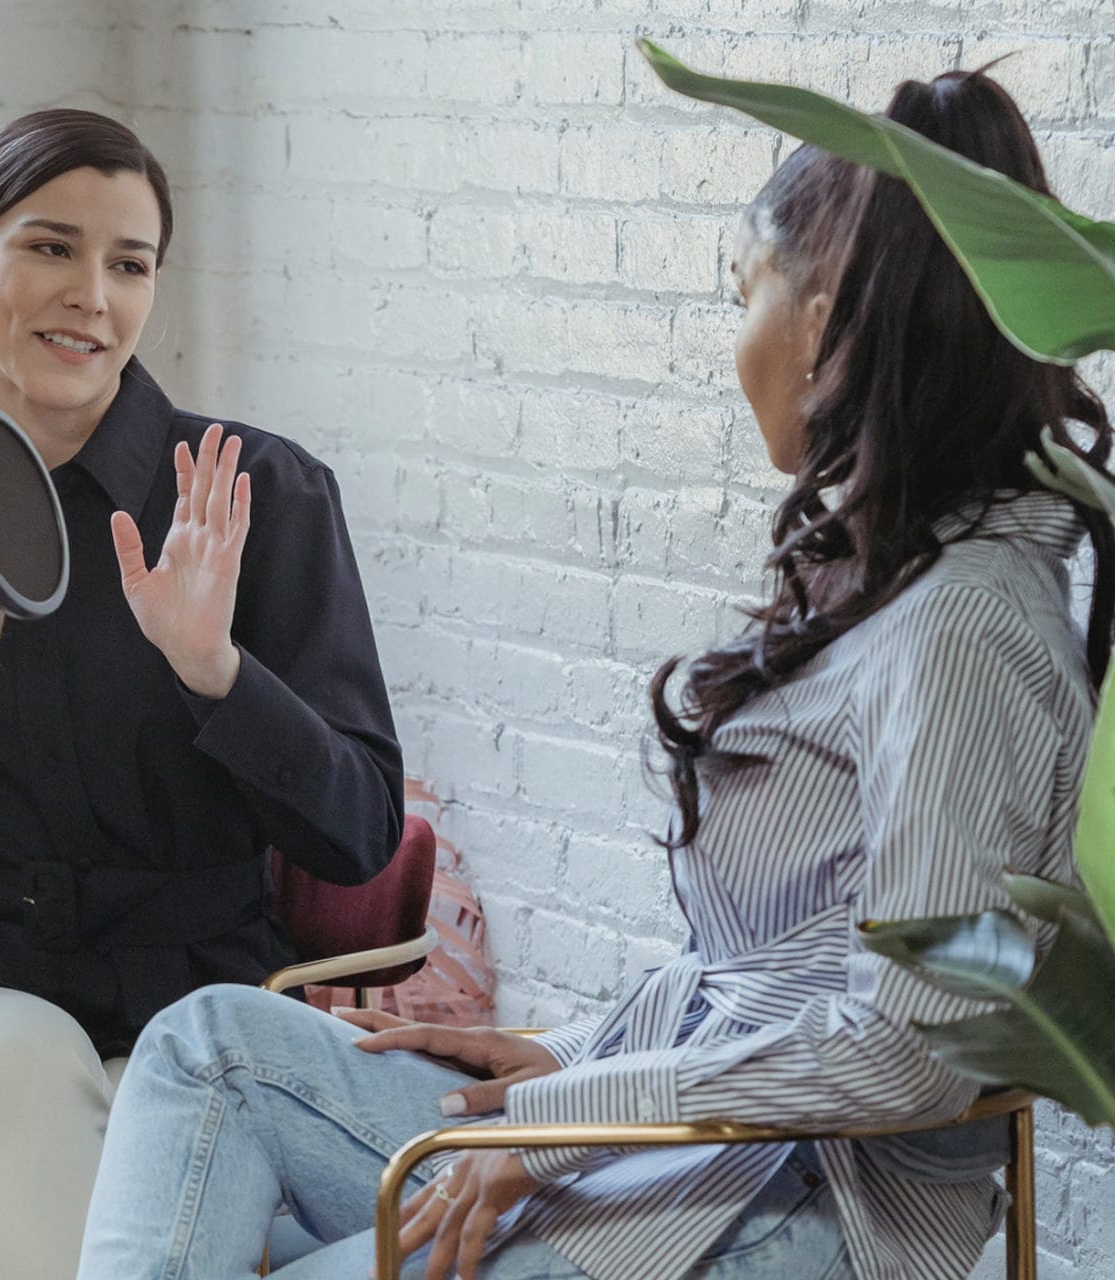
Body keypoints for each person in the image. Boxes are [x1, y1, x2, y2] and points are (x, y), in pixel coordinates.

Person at [76, 68, 1113, 1280]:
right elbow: (764, 974)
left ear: (825, 318)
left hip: (797, 1205)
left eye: (743, 296)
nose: (736, 343)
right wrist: (568, 1058)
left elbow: (912, 1051)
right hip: (678, 1144)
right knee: (209, 1048)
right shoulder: (894, 582)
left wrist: (567, 1128)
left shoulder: (966, 624)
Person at [0, 109, 403, 1280]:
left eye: (129, 263)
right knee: (34, 1061)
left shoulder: (258, 497)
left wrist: (217, 671)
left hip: (183, 1033)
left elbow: (356, 834)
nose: (91, 293)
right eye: (50, 247)